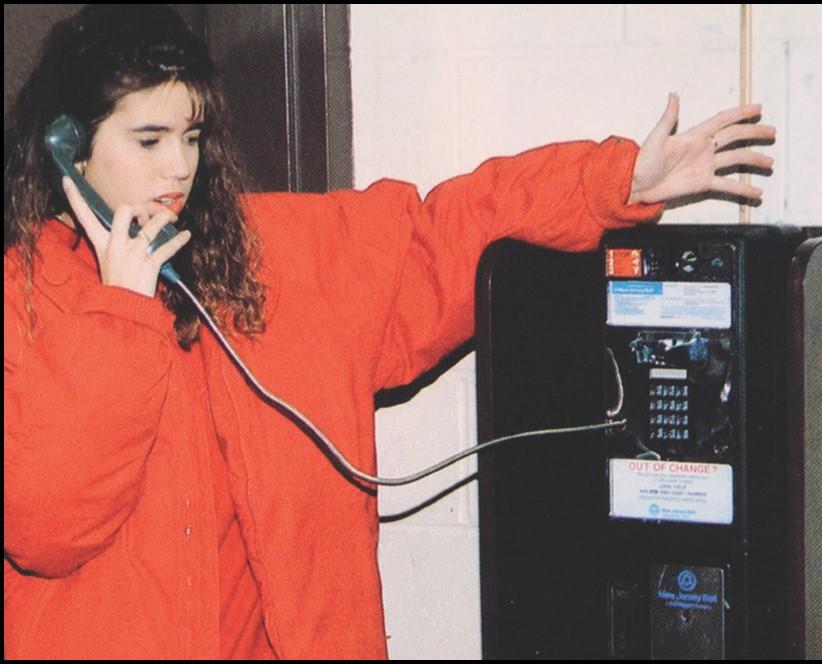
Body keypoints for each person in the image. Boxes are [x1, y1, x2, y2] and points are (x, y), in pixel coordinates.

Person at [3, 5, 775, 660]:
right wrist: (122, 314)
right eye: (148, 141)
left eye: (193, 136)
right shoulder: (23, 300)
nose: (179, 167)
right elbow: (45, 524)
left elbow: (444, 237)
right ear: (69, 148)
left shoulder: (275, 257)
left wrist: (615, 183)